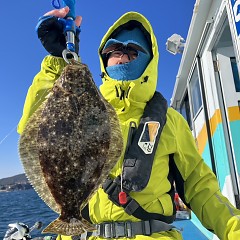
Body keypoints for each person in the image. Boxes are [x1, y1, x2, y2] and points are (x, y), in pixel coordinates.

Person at [17, 6, 240, 240]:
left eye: (133, 50)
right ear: (105, 61)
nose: (122, 55)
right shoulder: (85, 106)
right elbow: (35, 127)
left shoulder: (170, 120)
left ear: (149, 60)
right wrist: (56, 60)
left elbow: (200, 187)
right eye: (114, 49)